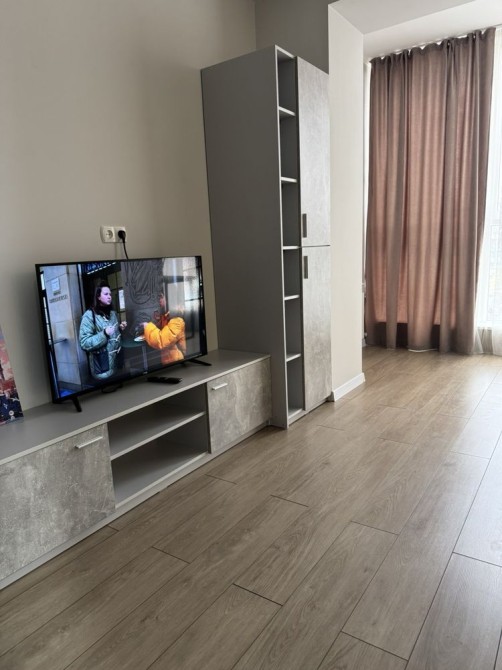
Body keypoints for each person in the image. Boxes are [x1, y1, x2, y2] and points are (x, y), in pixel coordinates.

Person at [79, 282, 127, 379]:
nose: (109, 297)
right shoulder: (89, 316)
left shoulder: (113, 313)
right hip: (103, 369)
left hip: (118, 365)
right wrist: (104, 334)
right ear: (98, 297)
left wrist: (120, 328)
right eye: (106, 294)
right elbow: (84, 343)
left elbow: (113, 335)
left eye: (110, 294)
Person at [141, 292, 186, 364]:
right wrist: (157, 320)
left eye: (161, 297)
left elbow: (161, 341)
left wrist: (147, 326)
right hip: (168, 359)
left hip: (176, 360)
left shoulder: (177, 320)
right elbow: (163, 330)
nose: (159, 300)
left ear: (169, 299)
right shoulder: (167, 315)